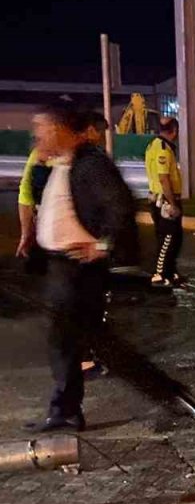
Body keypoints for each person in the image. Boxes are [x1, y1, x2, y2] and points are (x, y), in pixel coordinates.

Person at [26, 105, 138, 432]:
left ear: (61, 128)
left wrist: (103, 246)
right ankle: (65, 408)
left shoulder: (91, 163)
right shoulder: (65, 162)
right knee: (68, 340)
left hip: (78, 269)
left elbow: (120, 206)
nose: (37, 136)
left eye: (42, 129)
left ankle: (65, 410)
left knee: (68, 340)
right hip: (62, 267)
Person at [145, 117, 184, 287]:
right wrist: (172, 203)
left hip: (159, 198)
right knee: (167, 238)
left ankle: (170, 272)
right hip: (164, 201)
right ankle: (159, 274)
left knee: (174, 237)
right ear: (174, 130)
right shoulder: (163, 150)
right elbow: (163, 178)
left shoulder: (154, 144)